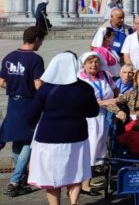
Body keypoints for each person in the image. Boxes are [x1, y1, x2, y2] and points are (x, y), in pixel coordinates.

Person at [26, 52, 99, 205]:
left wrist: (32, 127)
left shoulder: (45, 89)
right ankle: (74, 202)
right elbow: (93, 112)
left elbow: (32, 114)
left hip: (48, 137)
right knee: (75, 172)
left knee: (51, 177)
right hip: (76, 136)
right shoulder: (85, 88)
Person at [0, 27, 46, 197]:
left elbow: (1, 81)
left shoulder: (9, 57)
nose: (41, 44)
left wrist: (14, 87)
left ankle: (18, 180)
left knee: (18, 140)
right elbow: (37, 85)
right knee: (29, 140)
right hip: (28, 103)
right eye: (41, 40)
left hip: (13, 103)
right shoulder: (35, 59)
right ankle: (14, 180)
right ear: (36, 39)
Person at [76, 52, 118, 196]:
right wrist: (106, 102)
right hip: (88, 118)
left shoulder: (104, 76)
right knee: (90, 148)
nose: (93, 65)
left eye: (96, 62)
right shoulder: (79, 79)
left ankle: (88, 180)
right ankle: (84, 184)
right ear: (84, 64)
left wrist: (117, 102)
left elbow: (115, 90)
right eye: (90, 62)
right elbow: (83, 101)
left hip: (103, 116)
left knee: (99, 148)